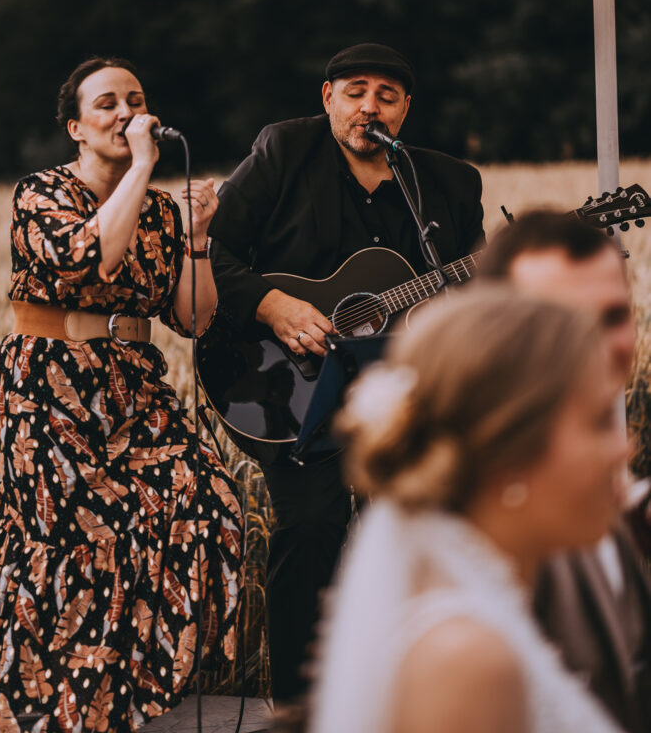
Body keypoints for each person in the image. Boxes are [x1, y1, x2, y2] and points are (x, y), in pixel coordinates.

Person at [0, 58, 242, 731]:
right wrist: (145, 167)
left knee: (208, 501)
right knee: (80, 542)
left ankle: (130, 691)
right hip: (48, 389)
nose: (126, 113)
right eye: (107, 105)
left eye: (136, 100)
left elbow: (192, 318)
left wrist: (198, 237)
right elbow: (91, 258)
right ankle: (43, 709)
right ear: (76, 128)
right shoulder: (41, 193)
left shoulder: (156, 211)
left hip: (132, 387)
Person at [208, 43, 484, 702]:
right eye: (355, 90)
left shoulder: (445, 183)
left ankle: (414, 695)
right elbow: (209, 254)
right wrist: (271, 304)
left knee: (428, 523)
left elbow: (470, 292)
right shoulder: (283, 153)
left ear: (406, 110)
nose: (370, 106)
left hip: (402, 392)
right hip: (283, 386)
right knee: (311, 525)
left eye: (387, 96)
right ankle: (297, 705)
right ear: (327, 98)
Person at [310, 285, 626, 733]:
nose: (623, 449)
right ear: (508, 452)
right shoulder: (467, 660)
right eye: (597, 423)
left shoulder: (490, 596)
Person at [478, 210, 651, 732]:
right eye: (561, 319)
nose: (596, 343)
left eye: (613, 317)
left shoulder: (618, 509)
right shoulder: (481, 527)